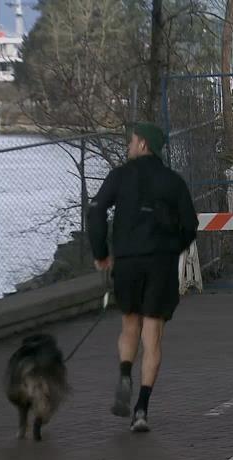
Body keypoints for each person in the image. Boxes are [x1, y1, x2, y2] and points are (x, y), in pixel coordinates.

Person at [87, 122, 198, 432]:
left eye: (132, 141)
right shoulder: (172, 181)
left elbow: (95, 212)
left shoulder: (120, 176)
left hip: (128, 262)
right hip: (161, 264)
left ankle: (125, 374)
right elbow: (190, 225)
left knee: (129, 324)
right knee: (153, 336)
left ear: (144, 145)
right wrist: (172, 248)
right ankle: (142, 409)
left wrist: (101, 253)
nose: (128, 146)